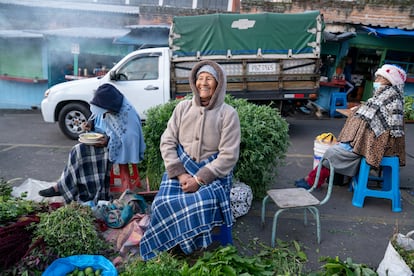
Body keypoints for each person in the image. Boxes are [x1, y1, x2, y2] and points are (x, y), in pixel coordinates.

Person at [139, 60, 241, 260]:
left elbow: (229, 155)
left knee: (201, 202)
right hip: (182, 172)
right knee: (161, 202)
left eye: (209, 79)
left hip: (213, 176)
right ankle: (170, 244)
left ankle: (195, 247)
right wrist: (180, 173)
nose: (203, 83)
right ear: (194, 82)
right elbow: (167, 141)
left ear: (218, 84)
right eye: (200, 78)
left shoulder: (228, 114)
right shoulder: (183, 108)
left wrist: (199, 180)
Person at [295, 64, 406, 189]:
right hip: (370, 142)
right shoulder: (388, 96)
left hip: (373, 146)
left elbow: (373, 123)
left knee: (331, 152)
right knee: (335, 148)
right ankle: (313, 179)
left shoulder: (387, 97)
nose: (376, 82)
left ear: (388, 80)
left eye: (379, 78)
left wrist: (354, 139)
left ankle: (312, 181)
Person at [39, 84, 146, 203]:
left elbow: (128, 141)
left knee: (79, 151)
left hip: (117, 149)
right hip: (103, 142)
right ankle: (63, 186)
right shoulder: (110, 105)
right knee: (77, 150)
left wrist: (108, 142)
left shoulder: (127, 115)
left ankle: (62, 186)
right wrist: (91, 124)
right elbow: (98, 116)